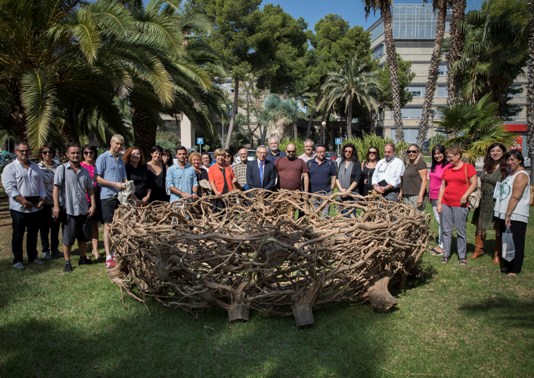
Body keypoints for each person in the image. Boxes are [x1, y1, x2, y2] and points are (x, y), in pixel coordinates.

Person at [1, 142, 47, 270]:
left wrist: (43, 198)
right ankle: (18, 260)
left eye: (26, 150)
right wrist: (23, 201)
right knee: (18, 234)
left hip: (35, 205)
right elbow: (9, 188)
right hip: (18, 206)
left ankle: (33, 257)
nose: (24, 153)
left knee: (33, 233)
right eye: (22, 151)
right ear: (16, 152)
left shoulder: (35, 167)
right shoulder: (10, 168)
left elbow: (41, 184)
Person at [53, 143, 96, 272]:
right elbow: (56, 188)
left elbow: (90, 189)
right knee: (68, 237)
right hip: (68, 209)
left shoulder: (85, 171)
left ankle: (83, 258)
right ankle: (67, 262)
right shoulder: (61, 169)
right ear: (67, 155)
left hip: (83, 209)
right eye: (73, 153)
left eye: (77, 152)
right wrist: (56, 206)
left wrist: (93, 205)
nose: (75, 155)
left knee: (83, 236)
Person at [436, 146, 477, 265]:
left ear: (458, 155)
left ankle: (462, 256)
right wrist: (439, 203)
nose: (448, 160)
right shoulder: (447, 169)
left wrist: (465, 195)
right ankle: (445, 254)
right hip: (446, 203)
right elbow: (443, 187)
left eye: (450, 157)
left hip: (460, 204)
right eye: (447, 157)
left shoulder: (467, 167)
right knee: (446, 231)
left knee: (460, 231)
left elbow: (474, 183)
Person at [493, 150, 530, 276]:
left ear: (520, 160)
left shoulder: (521, 175)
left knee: (516, 242)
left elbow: (515, 197)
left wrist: (508, 214)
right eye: (508, 160)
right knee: (507, 241)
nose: (510, 162)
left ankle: (515, 268)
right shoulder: (511, 174)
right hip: (505, 213)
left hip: (515, 214)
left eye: (513, 159)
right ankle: (507, 265)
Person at [95, 134, 128, 268]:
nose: (119, 146)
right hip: (108, 197)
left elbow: (124, 177)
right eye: (117, 144)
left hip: (120, 197)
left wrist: (127, 185)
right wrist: (115, 184)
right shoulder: (102, 158)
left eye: (121, 144)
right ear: (111, 142)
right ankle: (108, 256)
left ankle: (116, 253)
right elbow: (97, 178)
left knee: (119, 226)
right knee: (108, 227)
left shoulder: (120, 159)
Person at [471, 143, 507, 262]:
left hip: (497, 201)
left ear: (503, 153)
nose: (495, 153)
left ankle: (497, 253)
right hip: (483, 200)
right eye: (492, 151)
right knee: (480, 226)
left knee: (497, 227)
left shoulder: (505, 167)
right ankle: (478, 249)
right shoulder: (487, 166)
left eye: (498, 151)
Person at [37, 145, 61, 259]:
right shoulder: (38, 168)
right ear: (41, 154)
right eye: (45, 152)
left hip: (56, 202)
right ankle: (46, 250)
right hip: (44, 202)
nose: (48, 154)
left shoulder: (58, 167)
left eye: (50, 152)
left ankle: (55, 249)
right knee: (44, 228)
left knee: (55, 227)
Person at [428, 145, 450, 256]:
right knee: (439, 220)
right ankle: (442, 242)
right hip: (433, 197)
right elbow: (431, 181)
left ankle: (443, 246)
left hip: (441, 198)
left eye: (439, 153)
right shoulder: (434, 166)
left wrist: (441, 200)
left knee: (442, 221)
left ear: (444, 153)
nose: (437, 155)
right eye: (435, 153)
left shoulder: (448, 166)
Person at [80, 145, 101, 261]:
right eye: (86, 152)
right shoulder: (80, 167)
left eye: (91, 152)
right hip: (83, 200)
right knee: (84, 226)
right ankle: (84, 252)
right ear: (83, 154)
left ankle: (95, 250)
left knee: (94, 225)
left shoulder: (97, 166)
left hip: (96, 199)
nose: (89, 155)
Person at [307, 144, 337, 217]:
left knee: (325, 215)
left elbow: (334, 176)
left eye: (323, 151)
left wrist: (331, 189)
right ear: (315, 152)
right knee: (314, 215)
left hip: (326, 193)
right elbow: (306, 177)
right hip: (313, 193)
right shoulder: (309, 163)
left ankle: (324, 228)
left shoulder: (330, 163)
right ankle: (315, 228)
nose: (322, 153)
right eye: (319, 151)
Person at [400, 144, 428, 211]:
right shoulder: (407, 164)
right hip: (406, 195)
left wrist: (420, 196)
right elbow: (403, 180)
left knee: (417, 218)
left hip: (416, 196)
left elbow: (425, 180)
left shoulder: (421, 163)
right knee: (408, 219)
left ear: (418, 152)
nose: (411, 153)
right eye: (409, 152)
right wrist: (401, 192)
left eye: (413, 151)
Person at [335, 143, 361, 215]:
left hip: (351, 194)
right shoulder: (341, 163)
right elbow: (336, 177)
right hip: (341, 193)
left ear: (353, 153)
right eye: (345, 151)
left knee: (350, 216)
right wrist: (341, 190)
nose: (347, 153)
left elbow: (357, 179)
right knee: (342, 215)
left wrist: (347, 191)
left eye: (349, 151)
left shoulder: (356, 163)